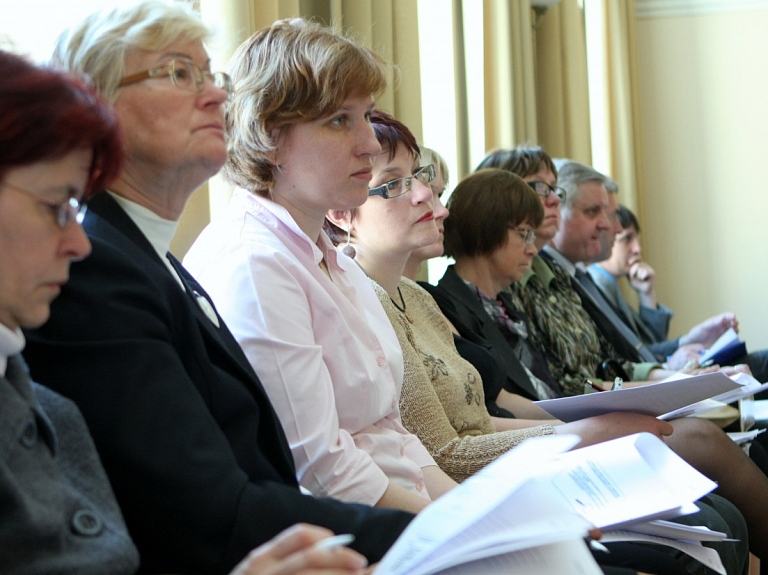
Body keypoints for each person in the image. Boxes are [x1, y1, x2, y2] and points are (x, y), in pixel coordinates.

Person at [22, 4, 413, 574]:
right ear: (92, 103)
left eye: (210, 76)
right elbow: (206, 508)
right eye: (179, 73)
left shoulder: (149, 258)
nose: (213, 96)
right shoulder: (94, 267)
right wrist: (432, 530)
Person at [183, 19, 457, 513]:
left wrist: (472, 514)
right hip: (351, 536)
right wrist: (460, 530)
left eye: (366, 116)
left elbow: (393, 435)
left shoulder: (334, 261)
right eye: (338, 120)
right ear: (269, 136)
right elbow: (318, 470)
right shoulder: (254, 264)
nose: (370, 144)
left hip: (404, 515)